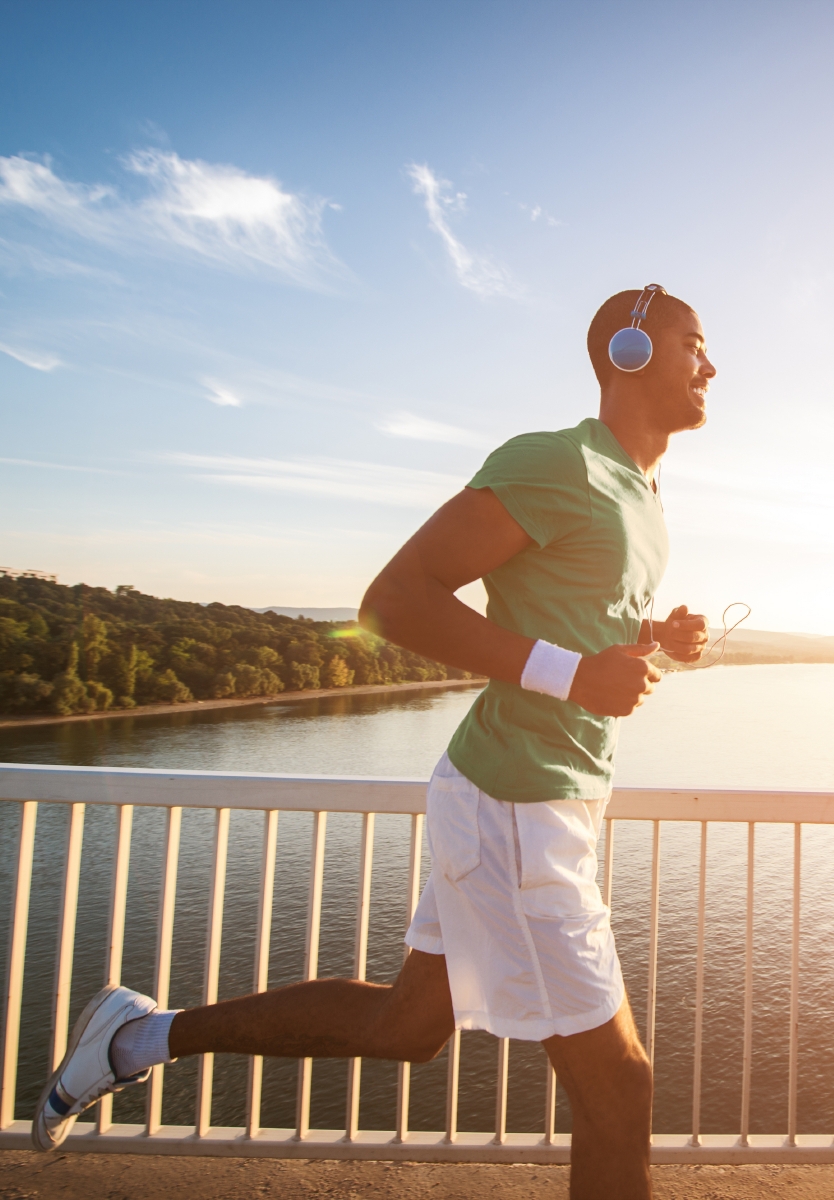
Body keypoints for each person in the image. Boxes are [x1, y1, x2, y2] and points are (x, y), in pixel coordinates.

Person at [34, 285, 715, 1200]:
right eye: (692, 344)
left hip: (543, 797)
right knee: (618, 1084)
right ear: (628, 354)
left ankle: (137, 1036)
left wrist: (653, 639)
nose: (710, 365)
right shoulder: (559, 464)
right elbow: (393, 601)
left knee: (406, 1029)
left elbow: (576, 633)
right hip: (517, 805)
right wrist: (568, 674)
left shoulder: (642, 497)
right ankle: (135, 1037)